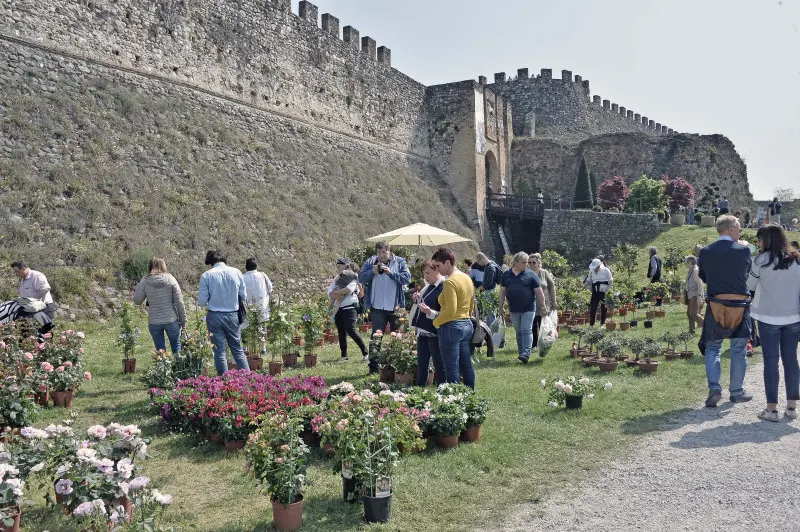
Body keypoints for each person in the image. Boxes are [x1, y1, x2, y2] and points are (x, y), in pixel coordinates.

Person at [698, 215, 753, 407]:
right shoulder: (744, 250)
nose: (740, 232)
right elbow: (747, 274)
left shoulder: (705, 251)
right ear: (730, 229)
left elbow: (703, 277)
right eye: (738, 228)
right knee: (738, 349)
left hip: (716, 304)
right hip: (739, 305)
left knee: (713, 348)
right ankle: (736, 391)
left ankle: (714, 388)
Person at [746, 224, 800, 421]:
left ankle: (772, 409)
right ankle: (792, 407)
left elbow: (749, 285)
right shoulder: (796, 259)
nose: (758, 243)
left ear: (766, 240)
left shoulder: (760, 260)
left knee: (771, 361)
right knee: (791, 360)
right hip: (794, 316)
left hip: (768, 317)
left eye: (759, 239)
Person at [358, 242, 411, 373]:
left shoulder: (399, 262)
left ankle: (396, 366)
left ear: (389, 251)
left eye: (384, 253)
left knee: (397, 337)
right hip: (377, 307)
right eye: (379, 253)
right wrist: (372, 272)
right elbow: (361, 277)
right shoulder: (371, 261)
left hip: (395, 307)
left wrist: (391, 273)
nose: (381, 256)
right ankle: (374, 367)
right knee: (376, 337)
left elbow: (407, 279)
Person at [428, 248, 475, 389]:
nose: (437, 270)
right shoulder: (466, 277)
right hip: (466, 324)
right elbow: (472, 303)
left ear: (447, 262)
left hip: (451, 327)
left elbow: (450, 310)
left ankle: (455, 400)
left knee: (451, 368)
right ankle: (470, 396)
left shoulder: (449, 282)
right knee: (466, 365)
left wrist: (436, 322)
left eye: (438, 266)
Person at [198, 249, 248, 375]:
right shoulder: (236, 272)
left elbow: (202, 301)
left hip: (214, 315)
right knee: (237, 349)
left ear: (210, 263)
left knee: (219, 352)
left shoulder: (206, 275)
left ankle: (223, 380)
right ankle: (248, 378)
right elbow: (243, 296)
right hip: (232, 314)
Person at [498, 252, 548, 363]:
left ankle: (526, 353)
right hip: (513, 309)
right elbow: (502, 292)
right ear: (515, 262)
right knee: (518, 331)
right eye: (524, 262)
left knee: (526, 330)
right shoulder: (506, 275)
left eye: (527, 262)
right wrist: (500, 307)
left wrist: (543, 306)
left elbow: (539, 293)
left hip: (528, 308)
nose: (527, 264)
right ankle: (521, 353)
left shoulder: (531, 275)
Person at [132, 258, 187, 354]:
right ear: (163, 266)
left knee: (160, 351)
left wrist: (140, 288)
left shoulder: (145, 281)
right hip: (171, 319)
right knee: (177, 349)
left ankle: (163, 368)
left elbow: (137, 301)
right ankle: (178, 368)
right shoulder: (170, 279)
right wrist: (183, 320)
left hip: (154, 321)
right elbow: (179, 302)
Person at [411, 260, 445, 386]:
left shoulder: (443, 286)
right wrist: (417, 298)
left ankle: (443, 390)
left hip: (434, 332)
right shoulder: (428, 285)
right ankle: (420, 389)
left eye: (428, 273)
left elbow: (444, 312)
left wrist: (429, 311)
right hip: (423, 330)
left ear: (437, 270)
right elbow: (424, 302)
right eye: (424, 273)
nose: (425, 277)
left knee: (439, 364)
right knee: (422, 363)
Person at [328, 258, 367, 363]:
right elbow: (330, 289)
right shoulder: (338, 277)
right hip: (338, 307)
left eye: (340, 266)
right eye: (337, 267)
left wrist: (336, 293)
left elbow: (348, 289)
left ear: (346, 266)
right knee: (341, 331)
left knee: (351, 330)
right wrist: (333, 293)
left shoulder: (352, 277)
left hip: (349, 306)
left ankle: (365, 353)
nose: (338, 268)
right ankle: (344, 355)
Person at [527, 253, 556, 349]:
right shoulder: (526, 273)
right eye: (529, 262)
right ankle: (534, 344)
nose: (531, 264)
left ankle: (545, 343)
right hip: (531, 303)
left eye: (533, 262)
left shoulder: (544, 273)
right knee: (533, 325)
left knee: (544, 325)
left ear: (538, 262)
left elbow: (551, 287)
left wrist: (554, 301)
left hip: (544, 303)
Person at [474, 252, 501, 326]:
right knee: (490, 313)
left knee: (490, 313)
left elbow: (489, 282)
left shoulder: (490, 267)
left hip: (489, 291)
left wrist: (479, 288)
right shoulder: (492, 263)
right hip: (490, 291)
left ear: (482, 259)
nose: (479, 264)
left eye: (478, 262)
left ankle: (492, 331)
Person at [584, 258, 613, 326]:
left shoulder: (606, 270)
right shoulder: (591, 270)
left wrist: (607, 289)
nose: (594, 269)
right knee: (593, 308)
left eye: (595, 268)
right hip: (595, 292)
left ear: (599, 266)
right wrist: (582, 288)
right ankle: (591, 325)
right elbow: (588, 280)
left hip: (604, 292)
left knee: (604, 308)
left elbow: (610, 281)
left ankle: (602, 324)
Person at [242, 257, 273, 322]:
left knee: (250, 328)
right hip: (263, 308)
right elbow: (270, 289)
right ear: (256, 266)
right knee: (263, 328)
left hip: (248, 310)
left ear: (246, 267)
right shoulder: (262, 275)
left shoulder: (242, 278)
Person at [684, 256, 704, 334]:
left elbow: (700, 284)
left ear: (689, 262)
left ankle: (708, 327)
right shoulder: (691, 270)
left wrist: (699, 296)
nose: (685, 264)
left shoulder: (695, 270)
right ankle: (691, 331)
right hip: (691, 294)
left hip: (695, 294)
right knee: (689, 313)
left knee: (693, 314)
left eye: (686, 262)